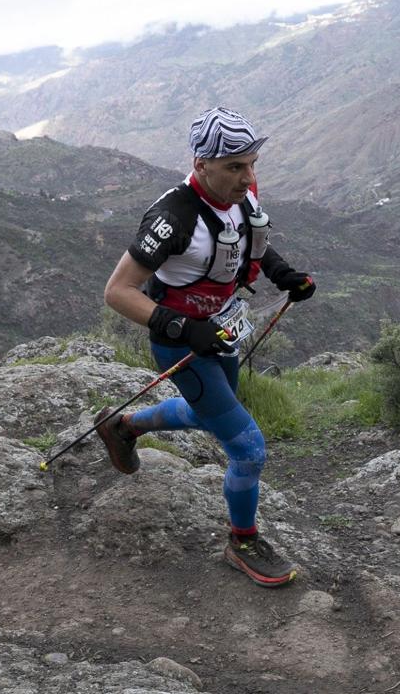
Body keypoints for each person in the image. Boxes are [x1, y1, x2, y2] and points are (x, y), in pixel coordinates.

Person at [100, 106, 316, 588]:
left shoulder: (240, 194)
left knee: (208, 414)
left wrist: (283, 275)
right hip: (182, 344)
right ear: (202, 165)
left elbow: (245, 241)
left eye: (253, 164)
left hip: (221, 329)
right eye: (235, 167)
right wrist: (181, 328)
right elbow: (118, 292)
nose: (248, 177)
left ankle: (126, 427)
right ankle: (242, 540)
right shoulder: (172, 217)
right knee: (247, 448)